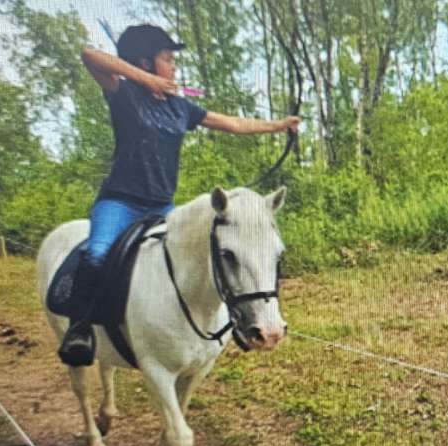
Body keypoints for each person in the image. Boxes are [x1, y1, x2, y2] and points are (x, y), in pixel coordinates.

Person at [58, 24, 299, 367]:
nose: (174, 67)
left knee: (192, 263)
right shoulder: (123, 94)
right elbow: (89, 56)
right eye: (167, 59)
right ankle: (80, 330)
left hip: (161, 206)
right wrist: (145, 81)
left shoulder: (180, 108)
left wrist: (278, 125)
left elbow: (232, 124)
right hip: (120, 202)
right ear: (145, 61)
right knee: (96, 254)